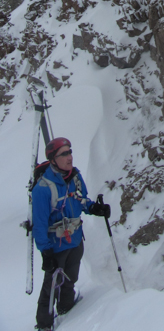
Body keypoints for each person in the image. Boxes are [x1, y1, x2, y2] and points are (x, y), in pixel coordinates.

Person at [32, 137, 110, 331]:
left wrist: (94, 208)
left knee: (70, 280)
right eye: (64, 154)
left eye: (70, 152)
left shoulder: (75, 177)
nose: (69, 157)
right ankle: (44, 325)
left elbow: (81, 200)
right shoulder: (42, 189)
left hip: (75, 241)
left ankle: (67, 310)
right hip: (55, 246)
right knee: (50, 287)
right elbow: (39, 225)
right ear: (52, 160)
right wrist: (45, 252)